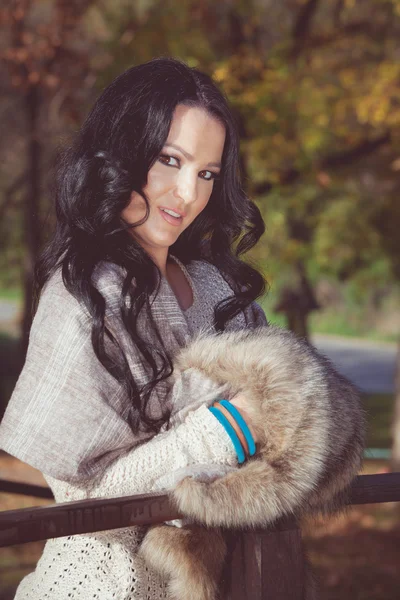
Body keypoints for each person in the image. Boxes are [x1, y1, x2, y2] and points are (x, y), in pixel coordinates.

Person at [0, 56, 269, 599]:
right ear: (122, 153)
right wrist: (231, 428)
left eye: (207, 173)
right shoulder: (84, 293)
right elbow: (89, 501)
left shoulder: (217, 290)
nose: (188, 193)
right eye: (170, 159)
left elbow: (290, 419)